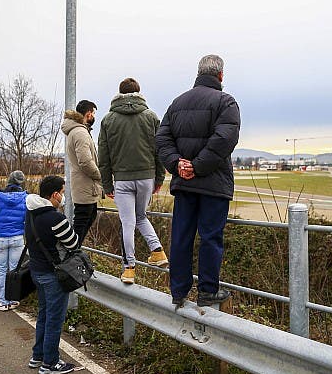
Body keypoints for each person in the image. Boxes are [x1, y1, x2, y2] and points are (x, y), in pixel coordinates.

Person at [156, 54, 240, 307]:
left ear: (198, 73)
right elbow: (225, 139)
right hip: (213, 184)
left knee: (181, 236)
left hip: (184, 183)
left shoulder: (177, 103)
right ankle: (207, 291)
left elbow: (162, 139)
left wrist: (177, 164)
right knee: (210, 237)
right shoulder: (226, 102)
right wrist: (198, 165)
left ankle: (178, 291)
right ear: (221, 75)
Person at [98, 78, 167, 284]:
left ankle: (129, 268)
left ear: (119, 94)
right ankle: (157, 252)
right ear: (139, 93)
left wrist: (107, 185)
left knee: (128, 222)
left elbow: (104, 157)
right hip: (147, 176)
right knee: (141, 216)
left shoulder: (108, 119)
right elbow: (160, 150)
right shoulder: (151, 116)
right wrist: (159, 177)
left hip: (122, 179)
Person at [25, 175, 79, 374]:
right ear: (55, 194)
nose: (63, 197)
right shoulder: (55, 217)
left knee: (44, 315)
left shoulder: (30, 213)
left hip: (36, 271)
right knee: (54, 320)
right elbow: (74, 244)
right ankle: (50, 363)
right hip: (53, 275)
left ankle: (37, 356)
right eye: (63, 193)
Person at [61, 100, 103, 246]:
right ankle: (71, 256)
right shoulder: (80, 132)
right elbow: (85, 162)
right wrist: (100, 175)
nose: (94, 117)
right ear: (89, 113)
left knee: (88, 217)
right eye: (93, 113)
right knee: (81, 223)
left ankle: (72, 253)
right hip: (85, 186)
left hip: (83, 186)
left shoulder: (77, 131)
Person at [0, 170, 27, 311]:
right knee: (14, 270)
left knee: (1, 270)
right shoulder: (25, 198)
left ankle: (4, 301)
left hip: (0, 238)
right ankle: (14, 299)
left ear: (8, 181)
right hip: (17, 238)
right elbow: (27, 220)